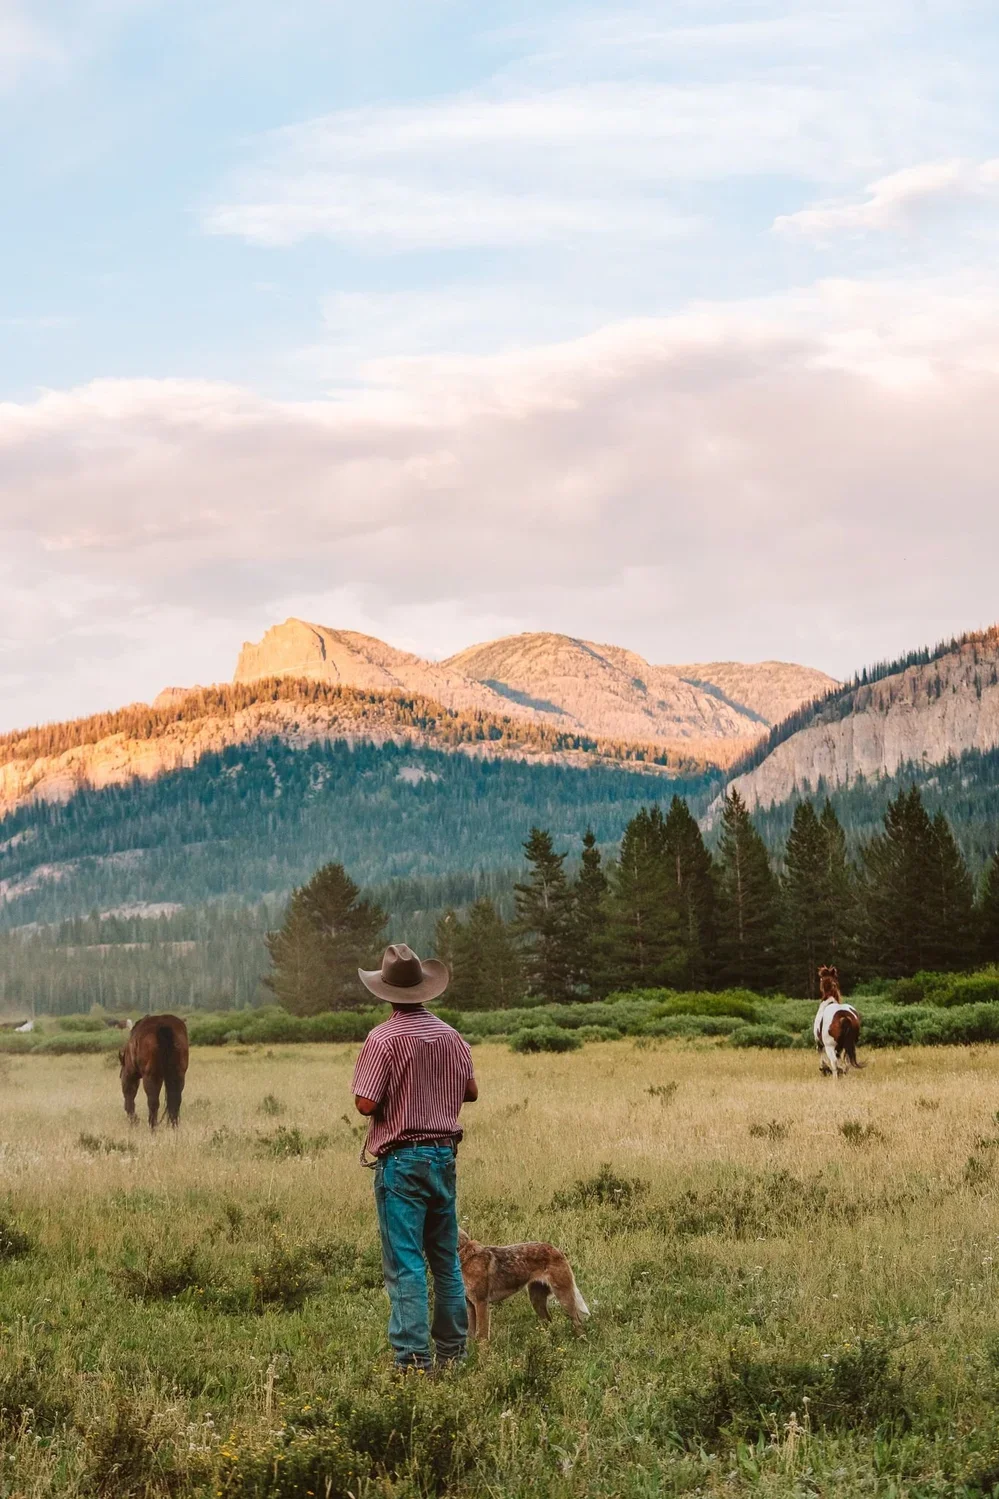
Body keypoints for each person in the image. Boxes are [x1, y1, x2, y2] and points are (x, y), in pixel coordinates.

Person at [352, 942, 477, 1371]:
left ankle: (412, 1362)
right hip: (444, 1156)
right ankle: (454, 1355)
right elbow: (471, 1092)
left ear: (385, 993)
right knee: (445, 1261)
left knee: (404, 1263)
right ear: (424, 989)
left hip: (402, 1161)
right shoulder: (451, 1035)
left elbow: (366, 1104)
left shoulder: (382, 1038)